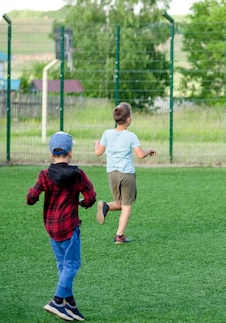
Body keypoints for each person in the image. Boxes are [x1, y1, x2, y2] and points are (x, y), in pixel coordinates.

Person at [27, 131, 97, 322]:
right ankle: (57, 300)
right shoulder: (78, 174)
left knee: (62, 264)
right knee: (72, 264)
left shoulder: (44, 175)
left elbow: (31, 198)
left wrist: (32, 196)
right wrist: (84, 203)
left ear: (51, 154)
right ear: (71, 152)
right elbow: (91, 197)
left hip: (51, 227)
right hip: (69, 227)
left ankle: (70, 304)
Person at [94, 102, 156, 243]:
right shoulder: (131, 136)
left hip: (112, 174)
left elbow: (98, 153)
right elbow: (140, 155)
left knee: (120, 203)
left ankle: (106, 206)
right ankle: (119, 236)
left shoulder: (107, 133)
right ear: (128, 119)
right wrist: (149, 150)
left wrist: (97, 144)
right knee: (126, 206)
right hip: (127, 174)